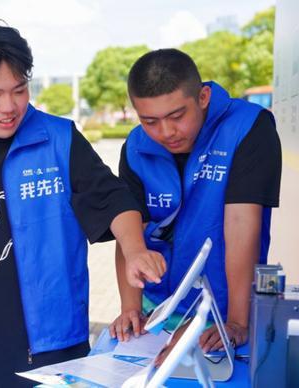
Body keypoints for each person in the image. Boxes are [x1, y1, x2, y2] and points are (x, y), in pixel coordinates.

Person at [0, 24, 166, 387]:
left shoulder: (59, 140)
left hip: (50, 348)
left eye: (20, 90)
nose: (9, 107)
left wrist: (135, 250)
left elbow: (113, 199)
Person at [109, 49, 282, 355]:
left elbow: (242, 224)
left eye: (177, 116)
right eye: (150, 121)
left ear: (202, 97)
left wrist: (238, 322)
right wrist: (131, 308)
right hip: (158, 309)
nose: (166, 132)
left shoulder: (248, 128)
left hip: (222, 311)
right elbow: (130, 225)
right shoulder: (136, 146)